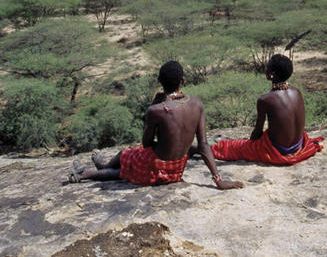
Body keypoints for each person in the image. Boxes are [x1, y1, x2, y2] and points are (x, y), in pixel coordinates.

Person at [68, 60, 242, 190]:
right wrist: (218, 179)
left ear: (160, 81)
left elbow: (147, 144)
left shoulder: (157, 110)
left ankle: (91, 171)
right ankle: (97, 167)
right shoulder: (197, 105)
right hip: (176, 170)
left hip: (155, 167)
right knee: (128, 166)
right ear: (182, 81)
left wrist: (152, 106)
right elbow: (204, 145)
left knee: (126, 156)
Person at [211, 54, 323, 165]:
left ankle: (199, 149)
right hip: (298, 146)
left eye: (267, 67)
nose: (265, 69)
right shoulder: (297, 92)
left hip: (277, 150)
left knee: (231, 147)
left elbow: (257, 133)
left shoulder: (265, 99)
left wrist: (249, 144)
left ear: (272, 74)